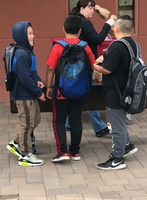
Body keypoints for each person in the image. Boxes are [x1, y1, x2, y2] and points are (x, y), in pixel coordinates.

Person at [46, 15, 97, 162]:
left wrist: (49, 87)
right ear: (80, 31)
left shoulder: (58, 46)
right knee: (76, 120)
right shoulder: (85, 46)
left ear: (64, 29)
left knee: (59, 120)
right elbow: (93, 66)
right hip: (80, 90)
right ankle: (75, 151)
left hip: (61, 91)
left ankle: (62, 151)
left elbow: (50, 68)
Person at [94, 15, 138, 170]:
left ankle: (117, 159)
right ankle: (127, 145)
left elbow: (107, 69)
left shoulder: (116, 46)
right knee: (119, 121)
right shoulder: (135, 45)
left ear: (116, 29)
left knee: (116, 125)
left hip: (116, 92)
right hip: (129, 91)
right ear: (132, 30)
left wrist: (96, 66)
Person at [69, 0, 116, 137]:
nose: (92, 11)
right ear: (82, 8)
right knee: (91, 93)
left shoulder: (74, 19)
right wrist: (108, 24)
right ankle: (100, 127)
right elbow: (98, 39)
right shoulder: (85, 22)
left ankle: (67, 123)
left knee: (72, 91)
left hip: (74, 61)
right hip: (85, 62)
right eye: (90, 8)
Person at [6, 21, 45, 167]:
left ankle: (16, 143)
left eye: (32, 33)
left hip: (29, 94)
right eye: (29, 33)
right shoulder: (21, 54)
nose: (33, 36)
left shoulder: (26, 51)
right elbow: (24, 78)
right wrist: (38, 92)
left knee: (35, 119)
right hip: (24, 96)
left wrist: (38, 80)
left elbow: (31, 72)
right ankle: (25, 155)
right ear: (21, 35)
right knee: (27, 124)